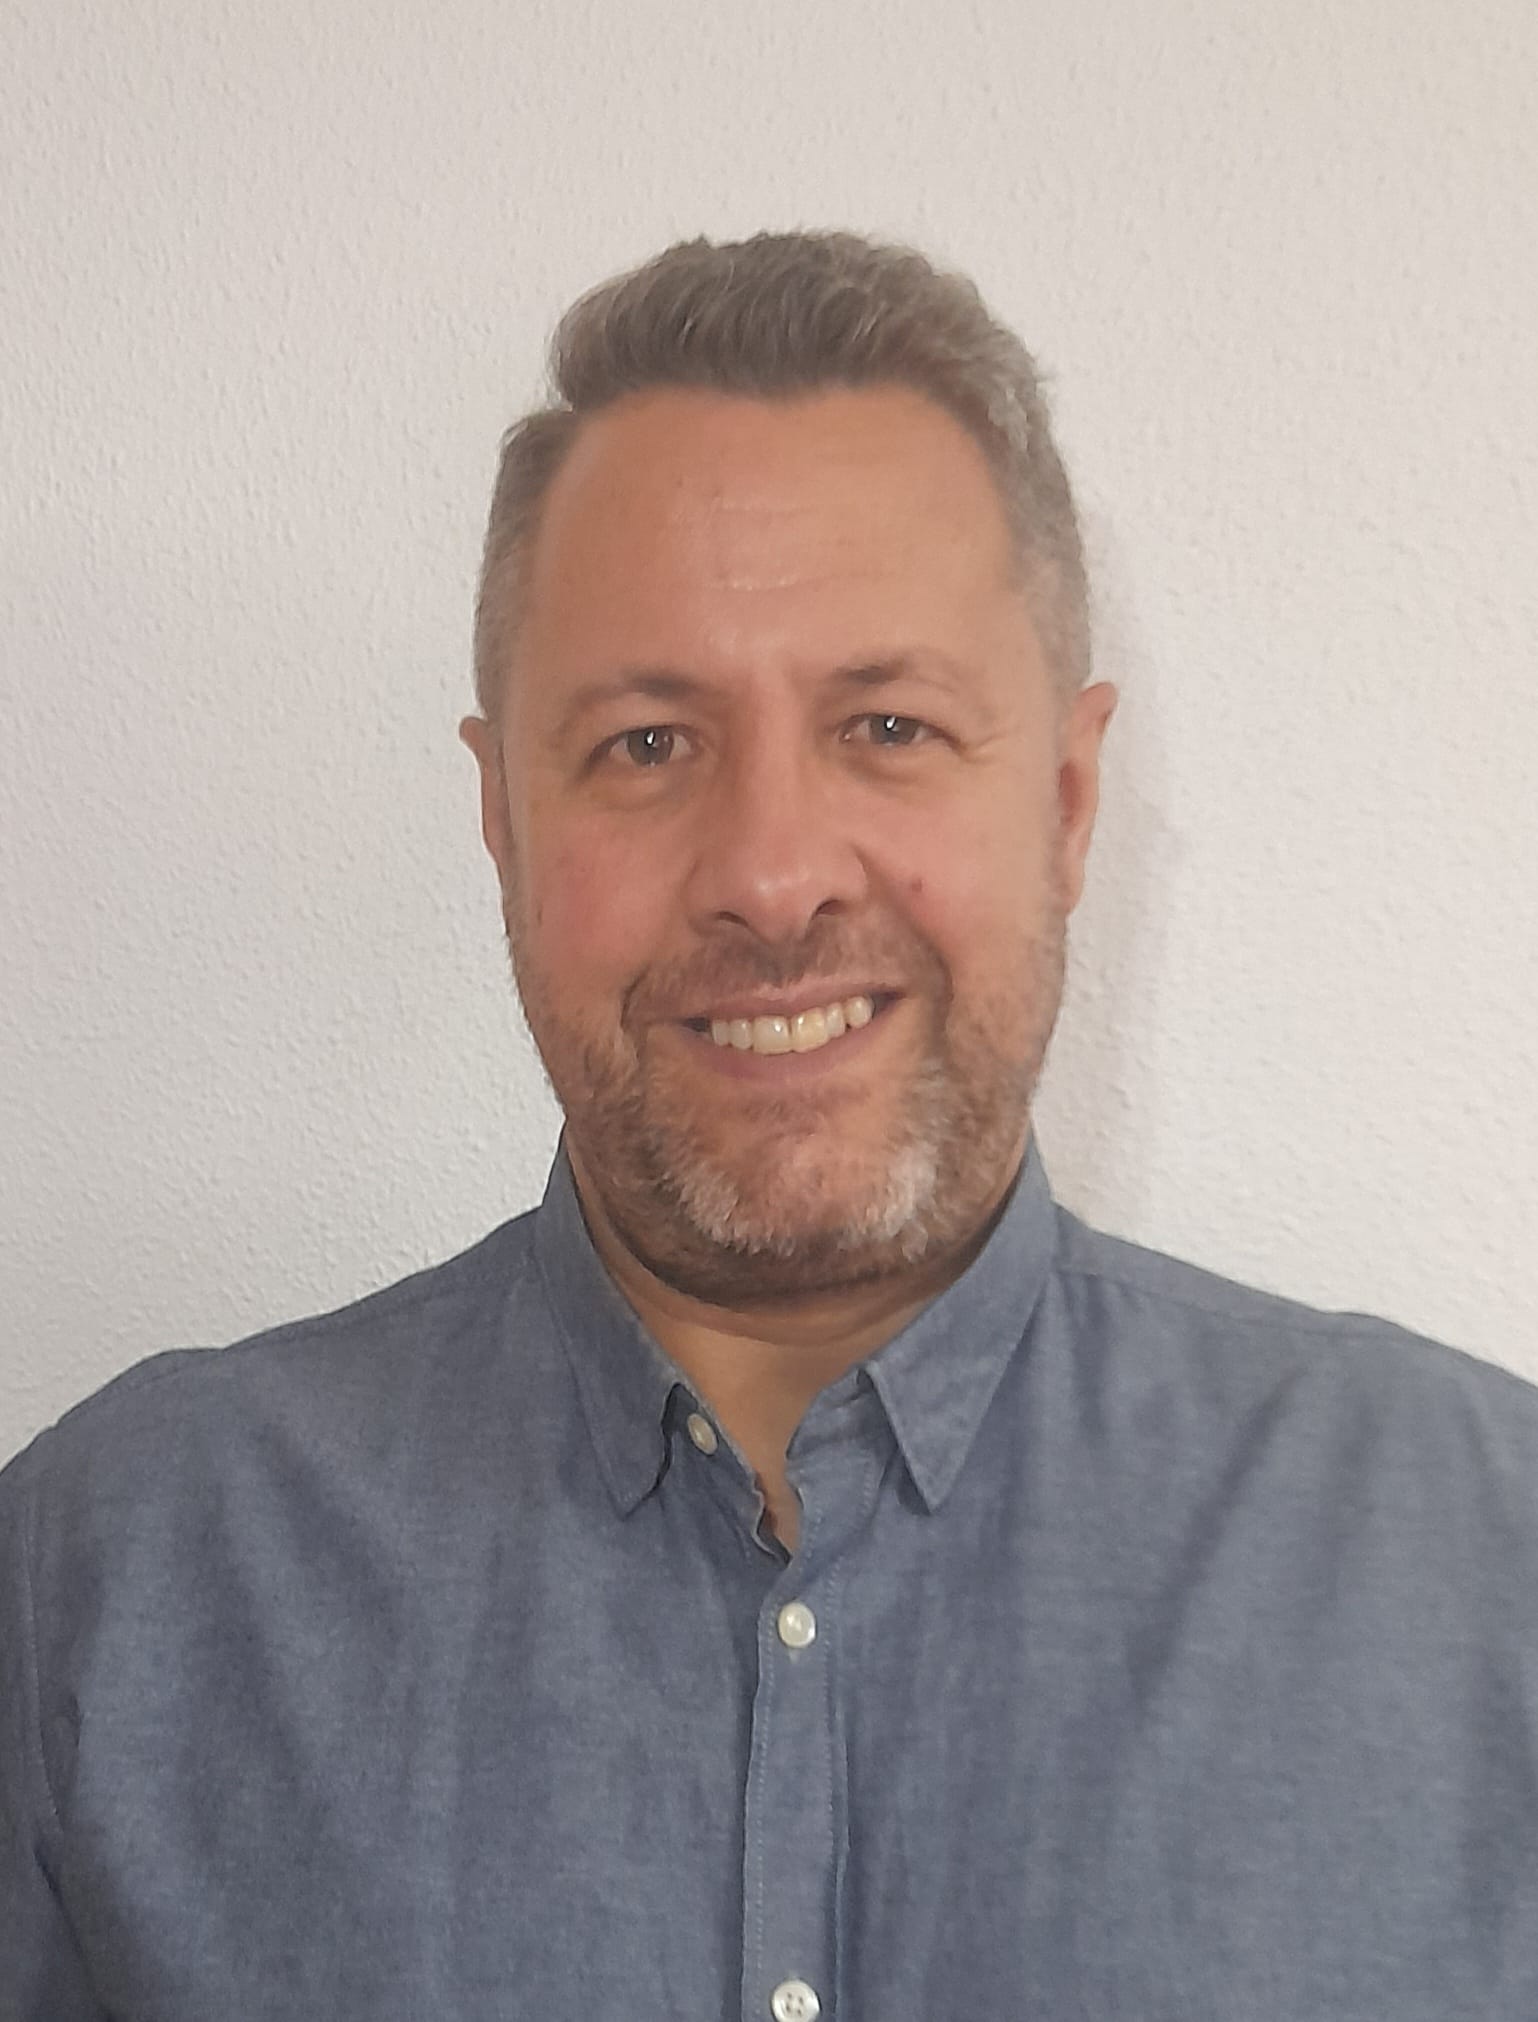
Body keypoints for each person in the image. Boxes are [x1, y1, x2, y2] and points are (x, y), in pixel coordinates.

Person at [2, 232, 1535, 2022]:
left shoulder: (1485, 1564)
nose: (773, 872)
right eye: (648, 744)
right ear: (501, 819)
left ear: (1064, 798)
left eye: (887, 723)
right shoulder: (107, 1583)